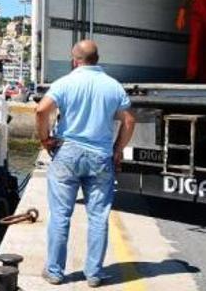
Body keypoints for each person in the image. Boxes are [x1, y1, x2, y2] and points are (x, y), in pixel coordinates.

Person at [35, 40, 136, 287]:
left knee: (60, 215)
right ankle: (94, 274)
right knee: (98, 217)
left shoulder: (65, 83)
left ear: (75, 59)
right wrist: (117, 150)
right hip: (100, 156)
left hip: (67, 153)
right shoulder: (113, 86)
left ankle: (55, 271)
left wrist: (46, 139)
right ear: (97, 58)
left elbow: (40, 111)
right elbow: (129, 121)